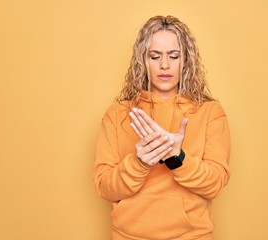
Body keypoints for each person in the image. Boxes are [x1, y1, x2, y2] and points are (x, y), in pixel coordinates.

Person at [94, 15, 230, 240]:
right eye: (155, 56)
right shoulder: (117, 114)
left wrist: (176, 156)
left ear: (186, 61)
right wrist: (139, 163)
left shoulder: (210, 113)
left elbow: (214, 184)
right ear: (142, 61)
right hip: (129, 236)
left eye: (174, 56)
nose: (164, 65)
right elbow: (106, 188)